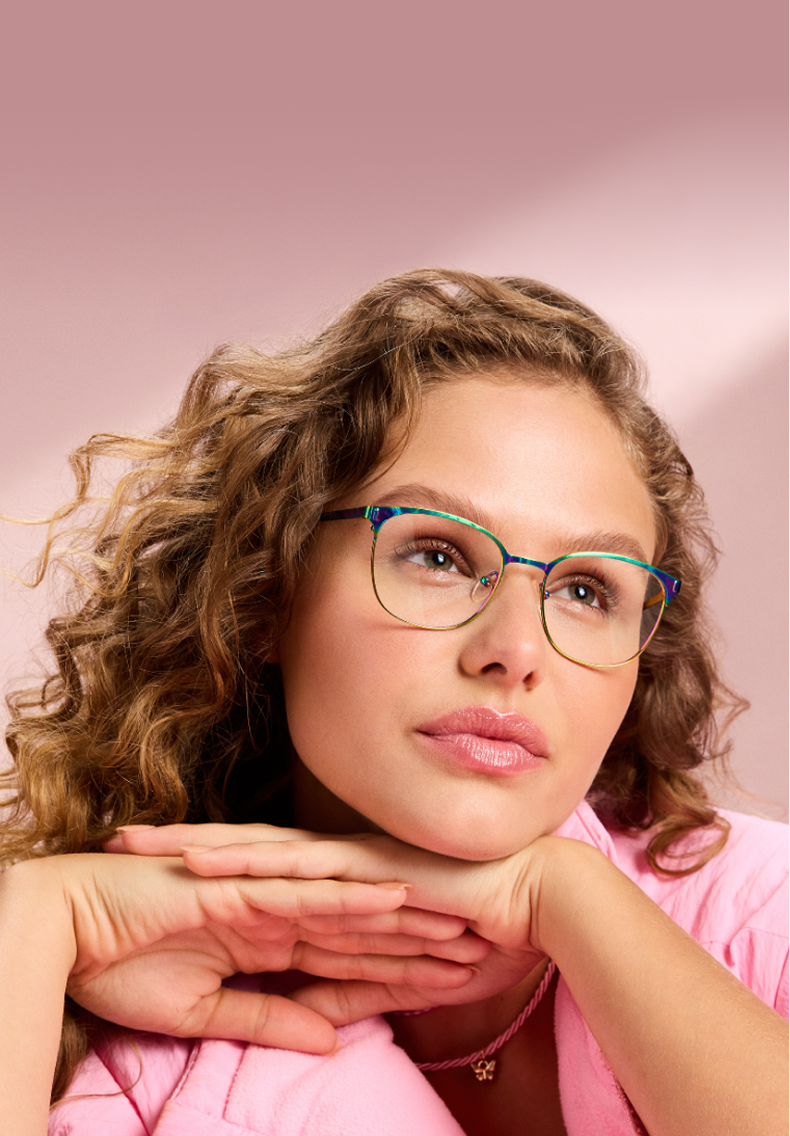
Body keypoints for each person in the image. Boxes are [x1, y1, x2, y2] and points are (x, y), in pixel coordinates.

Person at [0, 269, 786, 1136]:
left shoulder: (761, 914)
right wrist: (39, 916)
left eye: (588, 590)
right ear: (267, 592)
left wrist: (566, 896)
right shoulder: (147, 1037)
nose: (515, 654)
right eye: (438, 556)